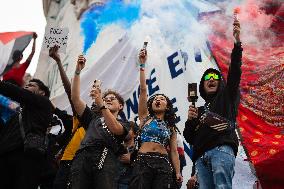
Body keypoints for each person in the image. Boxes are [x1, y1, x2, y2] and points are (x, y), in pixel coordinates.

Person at [183, 19, 242, 189]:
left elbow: (235, 72)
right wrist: (190, 120)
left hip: (221, 151)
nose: (211, 80)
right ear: (202, 86)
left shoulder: (227, 98)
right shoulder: (199, 109)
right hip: (201, 158)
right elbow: (190, 138)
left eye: (214, 77)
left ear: (220, 83)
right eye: (207, 78)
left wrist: (237, 44)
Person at [70, 55, 130, 189]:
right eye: (106, 98)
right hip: (83, 156)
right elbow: (75, 98)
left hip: (106, 158)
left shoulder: (125, 123)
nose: (108, 100)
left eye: (112, 98)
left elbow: (115, 129)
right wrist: (78, 71)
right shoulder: (93, 118)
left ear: (120, 106)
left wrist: (100, 103)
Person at [128, 48, 183, 189]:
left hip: (163, 164)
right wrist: (142, 65)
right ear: (151, 105)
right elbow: (143, 90)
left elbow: (175, 152)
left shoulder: (171, 127)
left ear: (167, 106)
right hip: (142, 161)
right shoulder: (144, 118)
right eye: (156, 99)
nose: (158, 100)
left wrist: (177, 172)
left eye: (162, 99)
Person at [0, 78, 52, 189]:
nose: (26, 86)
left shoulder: (44, 103)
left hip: (27, 159)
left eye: (31, 85)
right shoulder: (17, 114)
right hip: (5, 158)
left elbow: (17, 92)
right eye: (26, 85)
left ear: (42, 93)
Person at [48, 45, 86, 189]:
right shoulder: (84, 116)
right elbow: (71, 93)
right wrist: (58, 61)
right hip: (67, 162)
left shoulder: (111, 126)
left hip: (87, 167)